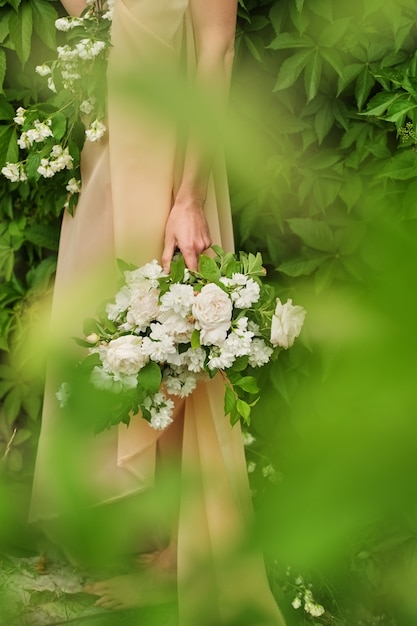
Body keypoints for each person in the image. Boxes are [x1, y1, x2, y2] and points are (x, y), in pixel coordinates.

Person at [29, 1, 286, 624]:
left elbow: (216, 51)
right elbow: (87, 12)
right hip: (107, 155)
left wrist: (190, 195)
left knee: (176, 337)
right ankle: (161, 537)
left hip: (172, 164)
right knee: (117, 341)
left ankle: (186, 554)